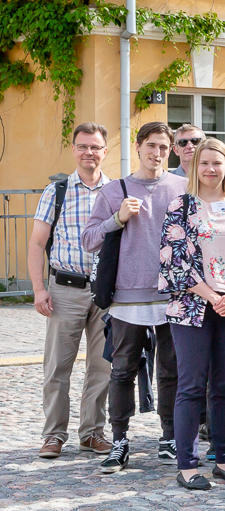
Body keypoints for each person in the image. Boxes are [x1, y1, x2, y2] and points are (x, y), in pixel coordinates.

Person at [158, 137, 225, 489]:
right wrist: (211, 295)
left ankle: (224, 459)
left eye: (216, 163)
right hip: (192, 307)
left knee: (224, 386)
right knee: (190, 386)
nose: (210, 169)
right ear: (194, 166)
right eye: (204, 163)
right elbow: (174, 260)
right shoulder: (181, 205)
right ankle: (188, 465)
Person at [83, 121, 186, 472]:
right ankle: (120, 440)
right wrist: (117, 218)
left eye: (162, 147)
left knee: (171, 371)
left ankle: (170, 436)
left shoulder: (183, 187)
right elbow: (90, 238)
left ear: (170, 150)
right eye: (150, 145)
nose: (156, 153)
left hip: (172, 295)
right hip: (127, 297)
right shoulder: (115, 190)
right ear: (138, 147)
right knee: (122, 370)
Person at [29, 122, 113, 459]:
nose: (89, 152)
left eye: (95, 147)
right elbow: (37, 244)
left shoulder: (116, 191)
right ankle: (53, 435)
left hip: (107, 292)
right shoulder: (58, 192)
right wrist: (38, 289)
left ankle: (92, 433)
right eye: (83, 146)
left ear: (105, 151)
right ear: (74, 149)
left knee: (102, 367)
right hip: (65, 289)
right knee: (57, 367)